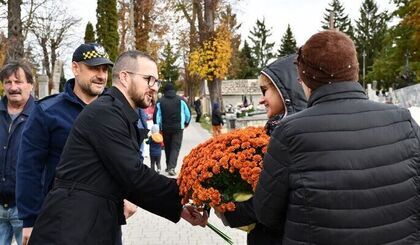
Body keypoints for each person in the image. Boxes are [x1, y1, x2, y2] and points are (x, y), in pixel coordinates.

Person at [253, 30, 420, 244]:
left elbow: (267, 213)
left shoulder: (290, 132)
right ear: (355, 71)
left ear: (304, 78)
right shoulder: (404, 121)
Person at [27, 50, 207, 245]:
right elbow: (134, 176)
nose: (154, 88)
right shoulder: (105, 113)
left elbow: (127, 181)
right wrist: (192, 190)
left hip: (93, 222)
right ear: (124, 77)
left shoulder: (120, 113)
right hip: (71, 227)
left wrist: (178, 207)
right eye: (149, 79)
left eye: (156, 81)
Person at [15, 43, 136, 245]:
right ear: (75, 68)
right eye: (94, 68)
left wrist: (132, 195)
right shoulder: (47, 111)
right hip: (62, 219)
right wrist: (30, 220)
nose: (101, 75)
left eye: (104, 69)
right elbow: (29, 168)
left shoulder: (117, 110)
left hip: (107, 219)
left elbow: (130, 158)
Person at [216, 54, 307, 244]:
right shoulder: (280, 128)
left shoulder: (291, 137)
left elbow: (271, 202)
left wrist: (226, 209)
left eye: (265, 91)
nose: (261, 100)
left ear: (286, 91)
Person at [0, 61, 35, 245]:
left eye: (18, 81)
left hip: (27, 210)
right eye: (8, 82)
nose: (13, 87)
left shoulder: (42, 115)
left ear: (30, 83)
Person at [155, 83, 191, 176]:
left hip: (165, 127)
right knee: (175, 147)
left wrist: (158, 126)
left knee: (167, 147)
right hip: (178, 128)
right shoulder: (181, 100)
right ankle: (171, 167)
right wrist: (186, 122)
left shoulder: (160, 101)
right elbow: (188, 113)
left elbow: (157, 116)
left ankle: (168, 166)